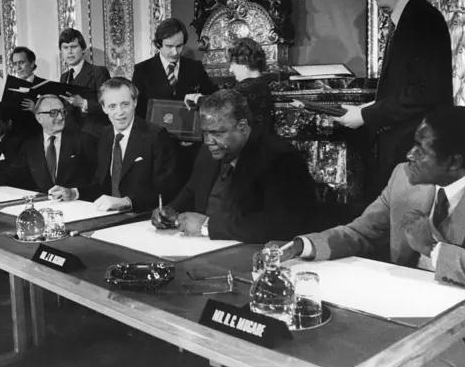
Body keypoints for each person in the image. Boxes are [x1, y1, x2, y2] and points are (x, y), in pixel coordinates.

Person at [282, 106, 465, 367]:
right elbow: (361, 232)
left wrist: (433, 249)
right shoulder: (403, 178)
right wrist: (302, 245)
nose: (409, 155)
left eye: (421, 148)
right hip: (396, 313)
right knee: (317, 355)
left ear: (454, 161)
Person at [335, 0, 453, 197]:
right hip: (410, 146)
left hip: (416, 149)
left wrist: (366, 116)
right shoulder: (414, 17)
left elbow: (425, 93)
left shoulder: (421, 19)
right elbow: (409, 87)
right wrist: (364, 109)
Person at [151, 89, 316, 243]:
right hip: (199, 247)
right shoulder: (208, 152)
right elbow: (191, 190)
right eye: (205, 132)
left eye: (218, 133)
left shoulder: (280, 158)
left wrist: (208, 226)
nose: (209, 141)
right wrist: (168, 212)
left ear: (242, 127)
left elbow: (283, 223)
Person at [0, 95, 96, 200]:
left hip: (77, 205)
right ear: (39, 117)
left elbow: (99, 181)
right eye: (54, 113)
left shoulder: (83, 140)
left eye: (63, 112)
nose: (60, 117)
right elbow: (11, 175)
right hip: (43, 206)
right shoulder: (31, 145)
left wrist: (74, 193)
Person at [84, 77, 180, 212]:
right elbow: (99, 183)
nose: (120, 112)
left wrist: (127, 202)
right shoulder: (104, 135)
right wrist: (75, 192)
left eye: (125, 104)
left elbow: (165, 189)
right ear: (104, 108)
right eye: (112, 106)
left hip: (142, 216)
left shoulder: (156, 135)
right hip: (107, 215)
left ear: (135, 102)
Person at [132, 18, 216, 119]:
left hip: (188, 130)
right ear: (158, 44)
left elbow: (212, 98)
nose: (175, 52)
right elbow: (137, 110)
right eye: (169, 46)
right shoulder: (142, 70)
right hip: (154, 132)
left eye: (179, 46)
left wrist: (199, 98)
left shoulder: (195, 67)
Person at [58, 28, 111, 135]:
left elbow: (109, 106)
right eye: (65, 48)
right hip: (70, 136)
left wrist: (83, 103)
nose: (69, 51)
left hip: (93, 136)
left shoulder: (98, 72)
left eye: (73, 47)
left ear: (83, 49)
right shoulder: (64, 77)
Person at [227, 38, 274, 132]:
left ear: (244, 62)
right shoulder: (262, 84)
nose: (230, 69)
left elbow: (221, 106)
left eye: (233, 64)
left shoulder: (246, 88)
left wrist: (198, 99)